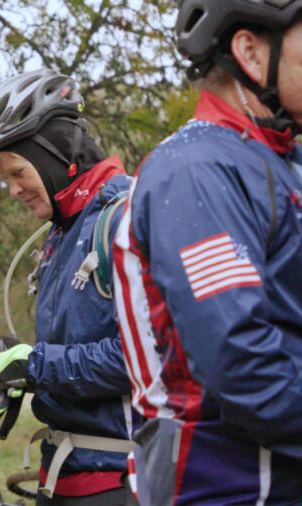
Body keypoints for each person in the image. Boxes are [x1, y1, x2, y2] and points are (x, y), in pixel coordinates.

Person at [112, 1, 302, 503]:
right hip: (227, 482)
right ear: (251, 53)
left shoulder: (275, 160)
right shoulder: (198, 170)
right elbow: (238, 358)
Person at [0, 69, 138, 505]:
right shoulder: (64, 228)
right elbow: (78, 347)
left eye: (17, 172)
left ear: (55, 154)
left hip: (120, 479)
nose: (13, 190)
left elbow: (147, 359)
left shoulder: (126, 220)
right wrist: (8, 363)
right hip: (61, 473)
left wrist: (35, 366)